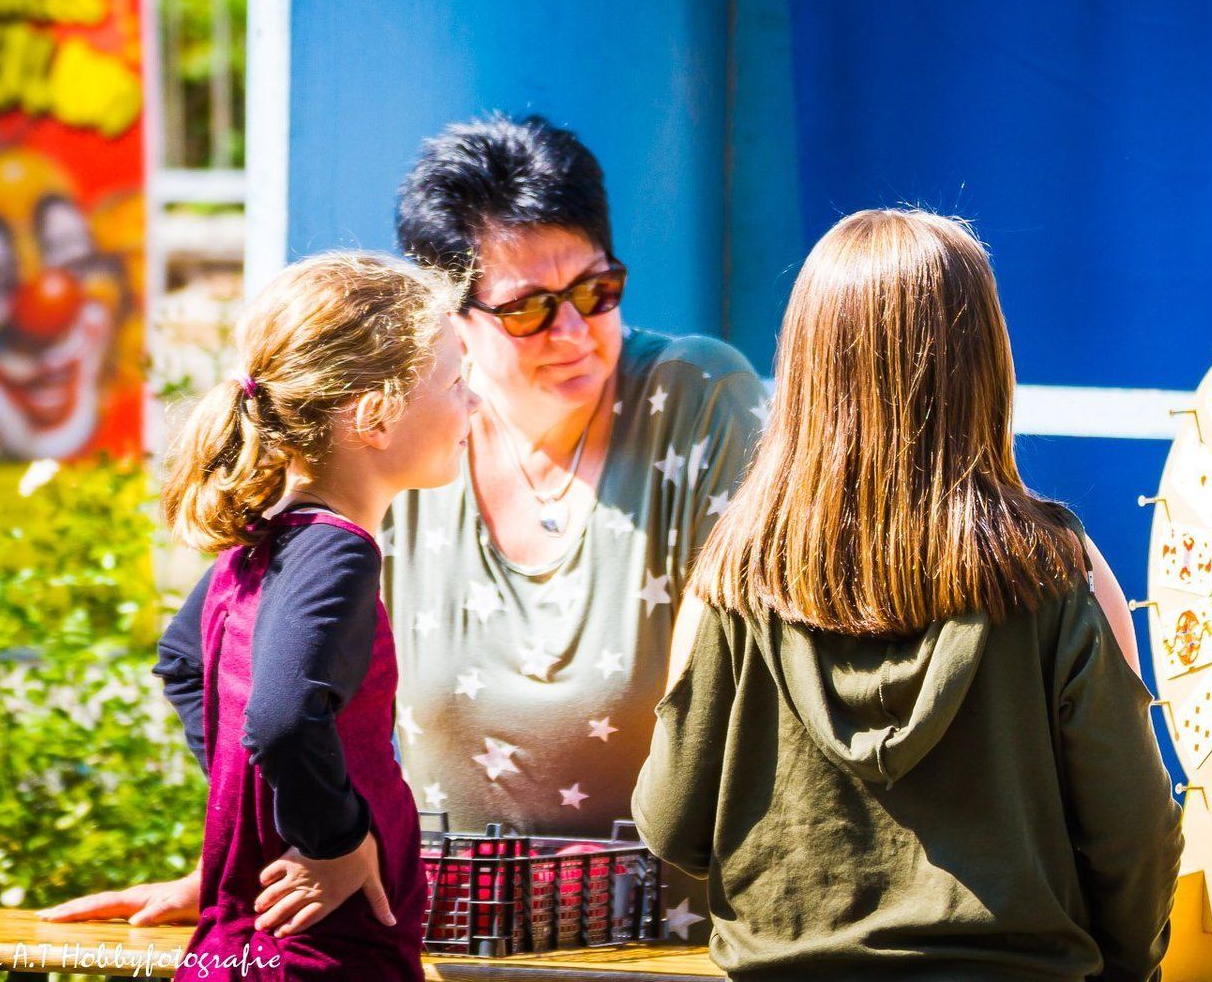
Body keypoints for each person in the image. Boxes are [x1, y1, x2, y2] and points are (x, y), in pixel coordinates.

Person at [46, 114, 765, 938]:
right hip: (446, 931)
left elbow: (724, 687)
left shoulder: (701, 397)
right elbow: (222, 658)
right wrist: (271, 845)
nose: (572, 331)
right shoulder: (402, 441)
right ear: (448, 317)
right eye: (528, 309)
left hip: (658, 937)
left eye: (597, 291)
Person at [633, 208, 1182, 981]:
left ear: (805, 369)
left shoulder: (731, 578)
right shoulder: (1060, 569)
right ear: (985, 363)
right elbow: (1135, 833)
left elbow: (670, 825)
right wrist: (1125, 967)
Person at [43, 251, 471, 980]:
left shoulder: (266, 541)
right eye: (458, 383)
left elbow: (184, 663)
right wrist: (335, 840)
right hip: (320, 954)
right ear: (375, 416)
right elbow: (281, 719)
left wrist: (253, 814)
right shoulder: (337, 554)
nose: (474, 404)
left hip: (248, 944)